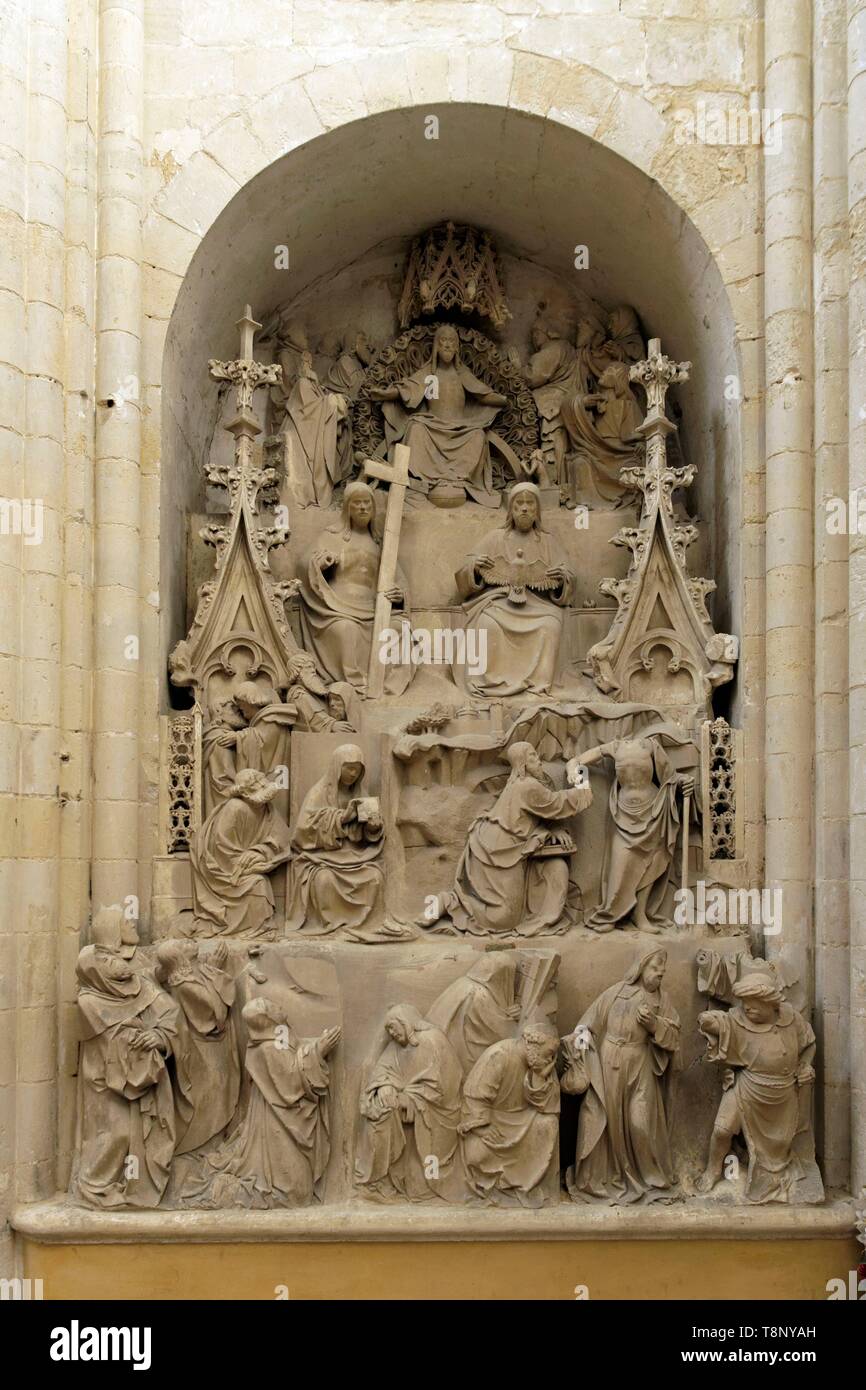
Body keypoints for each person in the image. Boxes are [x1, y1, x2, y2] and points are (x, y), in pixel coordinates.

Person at [425, 742, 591, 937]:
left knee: (507, 914)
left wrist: (548, 830)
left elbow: (531, 817)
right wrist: (580, 771)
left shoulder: (519, 784)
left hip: (498, 844)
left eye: (537, 756)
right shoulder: (527, 786)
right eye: (532, 757)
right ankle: (448, 902)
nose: (539, 761)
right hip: (499, 850)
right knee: (503, 919)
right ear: (522, 764)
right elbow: (560, 803)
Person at [192, 998, 340, 1208]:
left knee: (297, 1191)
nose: (279, 1006)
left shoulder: (277, 1039)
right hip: (278, 1126)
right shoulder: (268, 1048)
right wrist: (319, 1050)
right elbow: (290, 1084)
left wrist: (315, 1045)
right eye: (273, 1007)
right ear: (268, 1019)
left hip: (285, 1123)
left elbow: (293, 1057)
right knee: (292, 1191)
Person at [562, 948, 681, 1205]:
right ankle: (610, 1175)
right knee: (608, 1120)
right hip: (609, 1062)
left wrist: (653, 1025)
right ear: (641, 967)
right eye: (655, 966)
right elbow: (588, 1023)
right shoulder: (615, 993)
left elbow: (673, 1036)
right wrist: (582, 1038)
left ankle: (650, 1178)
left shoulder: (662, 1001)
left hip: (640, 1065)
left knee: (641, 1122)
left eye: (663, 969)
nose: (660, 972)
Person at [73, 944, 179, 1208]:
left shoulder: (141, 985)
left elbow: (171, 1015)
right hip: (107, 1077)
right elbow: (110, 1038)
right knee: (117, 1133)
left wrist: (160, 1036)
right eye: (104, 961)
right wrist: (139, 1033)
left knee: (140, 1135)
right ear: (95, 974)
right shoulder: (89, 1000)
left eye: (111, 954)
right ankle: (95, 1188)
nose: (114, 960)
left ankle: (134, 1186)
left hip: (146, 1075)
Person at [698, 978, 817, 1203]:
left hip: (782, 1094)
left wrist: (805, 1065)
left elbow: (809, 1044)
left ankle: (774, 1175)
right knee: (722, 1129)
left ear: (771, 1004)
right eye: (744, 1002)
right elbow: (716, 1023)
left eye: (754, 1002)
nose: (748, 1007)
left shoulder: (791, 1020)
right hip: (747, 1088)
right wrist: (709, 1020)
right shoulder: (738, 1019)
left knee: (782, 1146)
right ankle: (713, 1170)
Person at [453, 482, 573, 697]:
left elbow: (569, 574)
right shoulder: (496, 538)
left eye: (529, 503)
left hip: (538, 605)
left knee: (551, 625)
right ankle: (489, 683)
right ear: (511, 509)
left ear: (537, 510)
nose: (524, 508)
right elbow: (465, 568)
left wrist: (563, 578)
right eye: (519, 503)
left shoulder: (547, 542)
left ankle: (537, 686)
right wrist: (476, 567)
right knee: (486, 623)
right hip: (500, 602)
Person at [370, 323, 507, 507]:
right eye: (443, 340)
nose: (448, 345)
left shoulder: (462, 374)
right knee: (416, 429)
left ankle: (457, 479)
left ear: (457, 347)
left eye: (452, 341)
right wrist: (387, 394)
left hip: (460, 429)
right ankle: (430, 480)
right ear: (436, 345)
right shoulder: (430, 374)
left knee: (478, 435)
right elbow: (408, 388)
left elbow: (482, 393)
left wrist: (503, 399)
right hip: (432, 425)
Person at [298, 480, 412, 697]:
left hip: (373, 609)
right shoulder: (332, 536)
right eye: (357, 503)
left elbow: (400, 580)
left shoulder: (381, 544)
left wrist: (400, 595)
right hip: (338, 608)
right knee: (346, 630)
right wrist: (319, 564)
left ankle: (388, 687)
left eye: (367, 503)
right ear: (347, 508)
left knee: (400, 627)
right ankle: (355, 687)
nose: (363, 508)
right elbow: (303, 563)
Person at [286, 743, 407, 941]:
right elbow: (303, 830)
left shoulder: (360, 794)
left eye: (357, 770)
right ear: (336, 767)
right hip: (323, 857)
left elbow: (368, 835)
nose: (353, 773)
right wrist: (341, 817)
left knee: (375, 876)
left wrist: (373, 827)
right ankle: (333, 926)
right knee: (323, 879)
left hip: (354, 856)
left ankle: (368, 924)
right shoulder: (319, 793)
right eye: (349, 768)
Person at [580, 737, 695, 933]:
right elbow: (577, 762)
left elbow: (670, 776)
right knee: (621, 864)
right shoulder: (613, 747)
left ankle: (639, 915)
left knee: (649, 864)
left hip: (653, 811)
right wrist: (580, 783)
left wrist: (684, 781)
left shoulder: (650, 745)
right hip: (623, 814)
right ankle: (611, 913)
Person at [355, 1004, 463, 1201]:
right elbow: (382, 1072)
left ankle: (414, 1178)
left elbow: (442, 1088)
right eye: (388, 1029)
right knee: (380, 1114)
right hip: (404, 1111)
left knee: (420, 1183)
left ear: (405, 1024)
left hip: (435, 1118)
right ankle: (377, 1179)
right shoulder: (397, 1046)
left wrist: (410, 1099)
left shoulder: (432, 1041)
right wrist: (385, 1086)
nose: (391, 1033)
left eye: (393, 1027)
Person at [460, 1021, 560, 1207]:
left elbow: (547, 1107)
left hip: (522, 1121)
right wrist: (482, 1128)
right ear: (534, 1045)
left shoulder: (542, 1065)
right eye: (549, 1054)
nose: (550, 1060)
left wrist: (538, 1077)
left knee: (549, 1124)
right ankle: (498, 1185)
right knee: (477, 1155)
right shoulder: (500, 1055)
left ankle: (525, 1185)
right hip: (491, 1122)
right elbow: (474, 1096)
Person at [154, 940, 240, 1155]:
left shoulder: (189, 975)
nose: (189, 941)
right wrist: (214, 969)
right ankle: (200, 1148)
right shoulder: (184, 984)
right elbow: (214, 1014)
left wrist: (208, 969)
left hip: (206, 1047)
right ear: (180, 958)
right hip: (204, 1051)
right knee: (211, 1098)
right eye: (182, 944)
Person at [190, 768, 292, 939]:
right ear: (245, 792)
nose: (262, 786)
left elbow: (283, 838)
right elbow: (220, 846)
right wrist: (243, 865)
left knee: (259, 879)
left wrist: (261, 852)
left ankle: (261, 928)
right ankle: (259, 927)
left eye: (261, 781)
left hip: (244, 864)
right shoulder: (235, 807)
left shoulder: (267, 808)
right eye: (256, 785)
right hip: (222, 870)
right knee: (258, 882)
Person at [426, 954, 522, 1073]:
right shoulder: (479, 994)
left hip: (441, 1052)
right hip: (463, 1061)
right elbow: (506, 1033)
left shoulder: (462, 983)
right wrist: (519, 1018)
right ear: (500, 976)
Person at [201, 699, 246, 817]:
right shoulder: (221, 739)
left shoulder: (220, 736)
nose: (239, 712)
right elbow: (223, 779)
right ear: (218, 712)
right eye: (232, 708)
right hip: (225, 807)